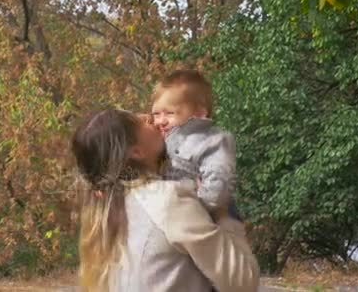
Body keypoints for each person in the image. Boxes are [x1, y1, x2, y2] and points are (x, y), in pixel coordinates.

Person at [72, 109, 259, 292]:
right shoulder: (166, 199)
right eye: (136, 121)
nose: (148, 117)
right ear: (136, 152)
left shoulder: (108, 213)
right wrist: (223, 212)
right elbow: (242, 282)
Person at [151, 69, 241, 219]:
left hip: (211, 216)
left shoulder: (211, 141)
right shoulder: (160, 142)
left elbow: (219, 182)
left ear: (199, 113)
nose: (161, 121)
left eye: (170, 113)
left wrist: (200, 204)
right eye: (156, 114)